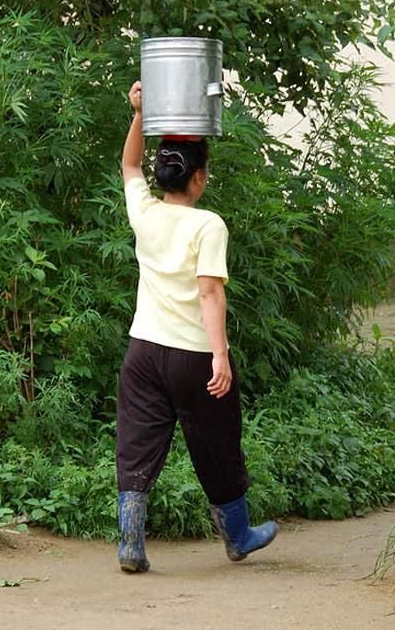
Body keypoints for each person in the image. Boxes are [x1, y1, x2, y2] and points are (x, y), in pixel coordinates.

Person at [116, 80, 278, 573]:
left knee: (137, 440)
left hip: (142, 351)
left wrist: (140, 113)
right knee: (218, 444)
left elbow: (127, 165)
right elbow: (210, 292)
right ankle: (239, 536)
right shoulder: (208, 225)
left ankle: (130, 544)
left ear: (164, 175)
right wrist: (221, 355)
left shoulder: (144, 213)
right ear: (200, 178)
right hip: (192, 356)